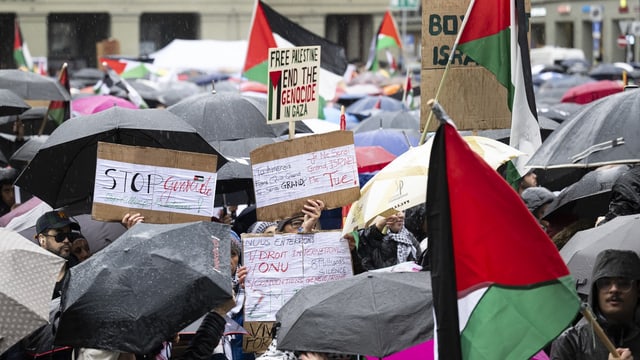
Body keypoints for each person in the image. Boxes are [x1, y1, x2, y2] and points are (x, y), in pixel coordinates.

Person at [550, 249, 640, 359]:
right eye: (605, 283)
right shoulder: (571, 341)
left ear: (638, 289)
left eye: (624, 283)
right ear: (595, 290)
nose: (614, 289)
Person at [356, 211, 422, 270]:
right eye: (396, 212)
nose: (401, 215)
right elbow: (365, 245)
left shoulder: (409, 237)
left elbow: (419, 261)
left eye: (403, 211)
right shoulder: (372, 236)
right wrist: (378, 227)